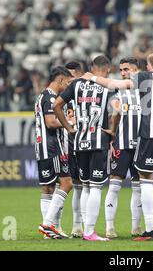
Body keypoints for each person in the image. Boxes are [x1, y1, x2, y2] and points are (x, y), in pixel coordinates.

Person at [82, 53, 153, 241]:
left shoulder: (143, 77)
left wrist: (94, 77)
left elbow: (116, 85)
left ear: (147, 66)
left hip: (150, 134)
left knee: (146, 179)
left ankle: (149, 230)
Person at [53, 55, 114, 242]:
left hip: (79, 141)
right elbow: (117, 109)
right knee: (95, 188)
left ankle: (81, 227)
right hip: (98, 141)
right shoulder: (108, 86)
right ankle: (89, 232)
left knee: (84, 187)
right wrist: (113, 131)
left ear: (91, 67)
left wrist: (69, 128)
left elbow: (56, 105)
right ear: (108, 69)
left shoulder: (77, 84)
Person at [103, 57, 143, 238]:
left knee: (138, 187)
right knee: (114, 186)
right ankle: (109, 227)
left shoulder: (147, 92)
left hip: (142, 145)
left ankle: (136, 227)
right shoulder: (118, 93)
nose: (123, 73)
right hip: (123, 144)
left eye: (127, 69)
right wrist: (113, 132)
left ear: (137, 70)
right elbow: (115, 115)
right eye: (121, 70)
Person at [36, 66, 74, 239]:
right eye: (67, 82)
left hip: (42, 147)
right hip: (52, 147)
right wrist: (69, 123)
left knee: (48, 188)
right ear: (60, 80)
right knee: (66, 183)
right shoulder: (50, 98)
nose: (67, 86)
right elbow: (51, 122)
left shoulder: (41, 96)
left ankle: (49, 231)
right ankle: (48, 224)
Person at [64, 61, 84, 238]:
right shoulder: (64, 98)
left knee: (88, 186)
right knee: (75, 185)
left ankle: (89, 225)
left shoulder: (86, 92)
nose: (68, 80)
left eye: (71, 75)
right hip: (69, 143)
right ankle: (76, 226)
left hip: (86, 143)